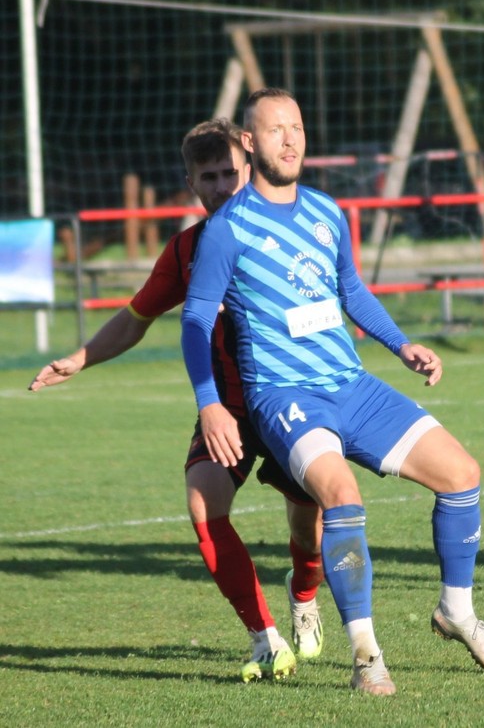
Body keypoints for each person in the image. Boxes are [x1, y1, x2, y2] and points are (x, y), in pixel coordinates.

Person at [180, 88, 484, 696]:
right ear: (249, 143)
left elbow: (350, 290)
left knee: (462, 474)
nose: (290, 139)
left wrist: (401, 344)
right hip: (283, 396)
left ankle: (457, 613)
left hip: (351, 384)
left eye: (297, 127)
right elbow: (197, 321)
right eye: (275, 130)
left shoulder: (327, 212)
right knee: (340, 493)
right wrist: (209, 403)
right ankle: (366, 654)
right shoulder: (227, 230)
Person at [28, 118, 325, 682]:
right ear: (190, 182)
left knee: (307, 522)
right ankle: (267, 639)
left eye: (228, 173)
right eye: (207, 176)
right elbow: (138, 317)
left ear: (249, 168)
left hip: (290, 395)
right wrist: (81, 358)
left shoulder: (288, 234)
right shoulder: (188, 250)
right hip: (226, 408)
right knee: (203, 506)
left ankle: (304, 596)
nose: (220, 185)